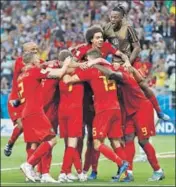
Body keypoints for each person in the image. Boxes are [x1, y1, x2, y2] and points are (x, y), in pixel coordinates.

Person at [90, 61, 165, 182]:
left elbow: (111, 73)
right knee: (128, 139)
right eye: (114, 62)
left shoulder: (125, 76)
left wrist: (94, 63)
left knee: (143, 141)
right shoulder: (117, 80)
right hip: (129, 112)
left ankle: (158, 171)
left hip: (141, 109)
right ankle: (128, 173)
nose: (114, 65)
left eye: (117, 63)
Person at [63, 48, 129, 182]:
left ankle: (121, 163)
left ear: (90, 59)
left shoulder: (90, 70)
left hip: (103, 110)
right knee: (116, 141)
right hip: (116, 108)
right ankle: (128, 174)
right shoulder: (110, 67)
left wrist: (64, 70)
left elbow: (69, 80)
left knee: (97, 144)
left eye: (87, 60)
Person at [19, 52, 70, 183]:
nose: (39, 60)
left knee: (37, 142)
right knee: (52, 140)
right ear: (32, 62)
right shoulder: (35, 71)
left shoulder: (22, 76)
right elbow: (58, 74)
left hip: (26, 112)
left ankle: (39, 173)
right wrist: (66, 64)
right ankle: (29, 165)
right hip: (35, 111)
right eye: (37, 59)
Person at [57, 50, 87, 182]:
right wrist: (78, 64)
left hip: (62, 110)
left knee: (69, 144)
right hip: (74, 111)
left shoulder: (59, 73)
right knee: (72, 144)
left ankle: (75, 172)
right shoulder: (80, 72)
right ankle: (63, 172)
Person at [4, 42, 40, 157]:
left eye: (36, 48)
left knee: (30, 133)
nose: (35, 50)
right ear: (25, 52)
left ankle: (30, 162)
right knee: (22, 125)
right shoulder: (20, 61)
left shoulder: (37, 61)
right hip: (16, 101)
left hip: (27, 102)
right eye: (32, 49)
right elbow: (28, 68)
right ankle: (10, 143)